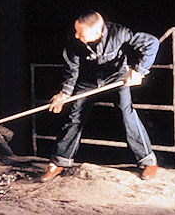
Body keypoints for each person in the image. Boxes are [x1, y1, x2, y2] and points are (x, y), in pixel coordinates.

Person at [40, 10, 159, 182]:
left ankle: (148, 161)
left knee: (127, 115)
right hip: (87, 80)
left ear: (97, 32)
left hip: (116, 77)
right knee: (75, 117)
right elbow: (72, 67)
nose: (76, 35)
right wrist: (64, 93)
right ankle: (58, 162)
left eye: (80, 33)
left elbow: (151, 43)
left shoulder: (120, 33)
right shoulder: (73, 39)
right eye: (75, 31)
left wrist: (139, 71)